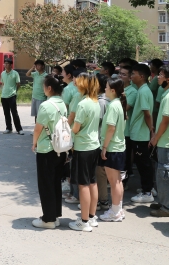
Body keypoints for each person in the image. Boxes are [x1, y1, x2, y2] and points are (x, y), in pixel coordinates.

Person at [32, 76, 68, 228]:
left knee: (45, 184)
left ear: (49, 88)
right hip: (60, 148)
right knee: (55, 183)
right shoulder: (62, 104)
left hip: (46, 148)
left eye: (44, 86)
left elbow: (38, 128)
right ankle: (55, 215)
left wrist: (34, 143)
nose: (43, 89)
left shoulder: (46, 105)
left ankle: (48, 219)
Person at [68, 73, 101, 232]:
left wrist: (68, 131)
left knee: (83, 185)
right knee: (92, 182)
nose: (76, 84)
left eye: (78, 82)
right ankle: (92, 217)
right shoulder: (95, 102)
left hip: (83, 148)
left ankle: (84, 221)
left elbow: (76, 127)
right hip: (94, 146)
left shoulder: (83, 104)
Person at [148, 64, 169, 217]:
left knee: (167, 175)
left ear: (168, 79)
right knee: (164, 174)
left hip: (166, 142)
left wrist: (155, 137)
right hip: (166, 141)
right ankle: (164, 202)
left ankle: (168, 207)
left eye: (161, 75)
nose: (158, 77)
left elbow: (165, 121)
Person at [99, 77, 127, 222]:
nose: (105, 89)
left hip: (112, 147)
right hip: (119, 147)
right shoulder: (118, 104)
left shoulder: (113, 105)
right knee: (118, 180)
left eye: (107, 87)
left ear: (113, 90)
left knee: (114, 181)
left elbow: (111, 128)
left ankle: (115, 211)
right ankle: (118, 209)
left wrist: (104, 147)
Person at [129, 64, 155, 204]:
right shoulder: (142, 90)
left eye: (134, 74)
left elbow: (147, 114)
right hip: (139, 133)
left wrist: (151, 131)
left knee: (143, 164)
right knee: (143, 163)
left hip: (141, 134)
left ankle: (147, 192)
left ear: (142, 76)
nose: (131, 76)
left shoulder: (143, 91)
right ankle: (148, 188)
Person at [62, 64, 81, 203]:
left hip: (76, 135)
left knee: (73, 164)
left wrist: (65, 130)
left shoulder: (76, 94)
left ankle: (75, 194)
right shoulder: (93, 98)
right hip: (89, 139)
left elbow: (71, 114)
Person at [119, 65, 137, 182]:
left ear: (130, 78)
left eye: (124, 74)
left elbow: (125, 108)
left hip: (126, 130)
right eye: (120, 73)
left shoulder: (132, 92)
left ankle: (124, 183)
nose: (120, 76)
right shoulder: (117, 88)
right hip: (116, 129)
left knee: (124, 159)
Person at [95, 73, 111, 209]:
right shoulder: (110, 100)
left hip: (101, 141)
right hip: (107, 140)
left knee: (100, 172)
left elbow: (97, 123)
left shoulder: (101, 102)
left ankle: (102, 200)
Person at [0, 58, 24, 135]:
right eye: (5, 63)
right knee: (6, 113)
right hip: (4, 96)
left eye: (7, 64)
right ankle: (8, 128)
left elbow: (18, 84)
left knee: (14, 113)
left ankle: (19, 129)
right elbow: (3, 83)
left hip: (12, 95)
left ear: (11, 65)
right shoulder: (3, 73)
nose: (5, 65)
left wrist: (14, 91)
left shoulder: (15, 73)